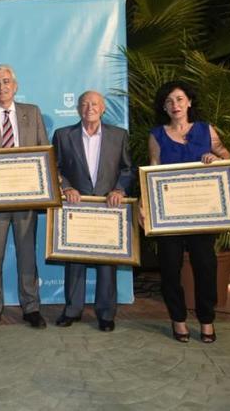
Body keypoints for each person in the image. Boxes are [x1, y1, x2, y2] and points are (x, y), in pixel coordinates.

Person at [148, 80, 230, 343]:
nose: (175, 105)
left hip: (202, 213)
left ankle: (207, 320)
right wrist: (145, 208)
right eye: (170, 101)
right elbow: (152, 170)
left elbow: (227, 157)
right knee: (170, 268)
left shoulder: (207, 130)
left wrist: (217, 159)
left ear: (189, 102)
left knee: (205, 266)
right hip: (169, 215)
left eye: (180, 99)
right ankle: (178, 319)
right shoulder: (156, 135)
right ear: (164, 107)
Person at [0, 64, 49, 330]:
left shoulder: (33, 113)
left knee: (27, 256)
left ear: (15, 86)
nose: (1, 87)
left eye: (6, 82)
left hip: (28, 198)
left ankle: (32, 307)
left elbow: (43, 152)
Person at [51, 91, 133, 332]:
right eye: (85, 104)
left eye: (94, 104)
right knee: (74, 259)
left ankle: (106, 313)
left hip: (108, 208)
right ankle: (72, 310)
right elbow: (54, 168)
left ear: (103, 108)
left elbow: (127, 169)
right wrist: (66, 187)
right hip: (77, 206)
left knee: (107, 262)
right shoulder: (63, 135)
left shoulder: (119, 136)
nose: (89, 108)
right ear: (78, 108)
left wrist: (119, 189)